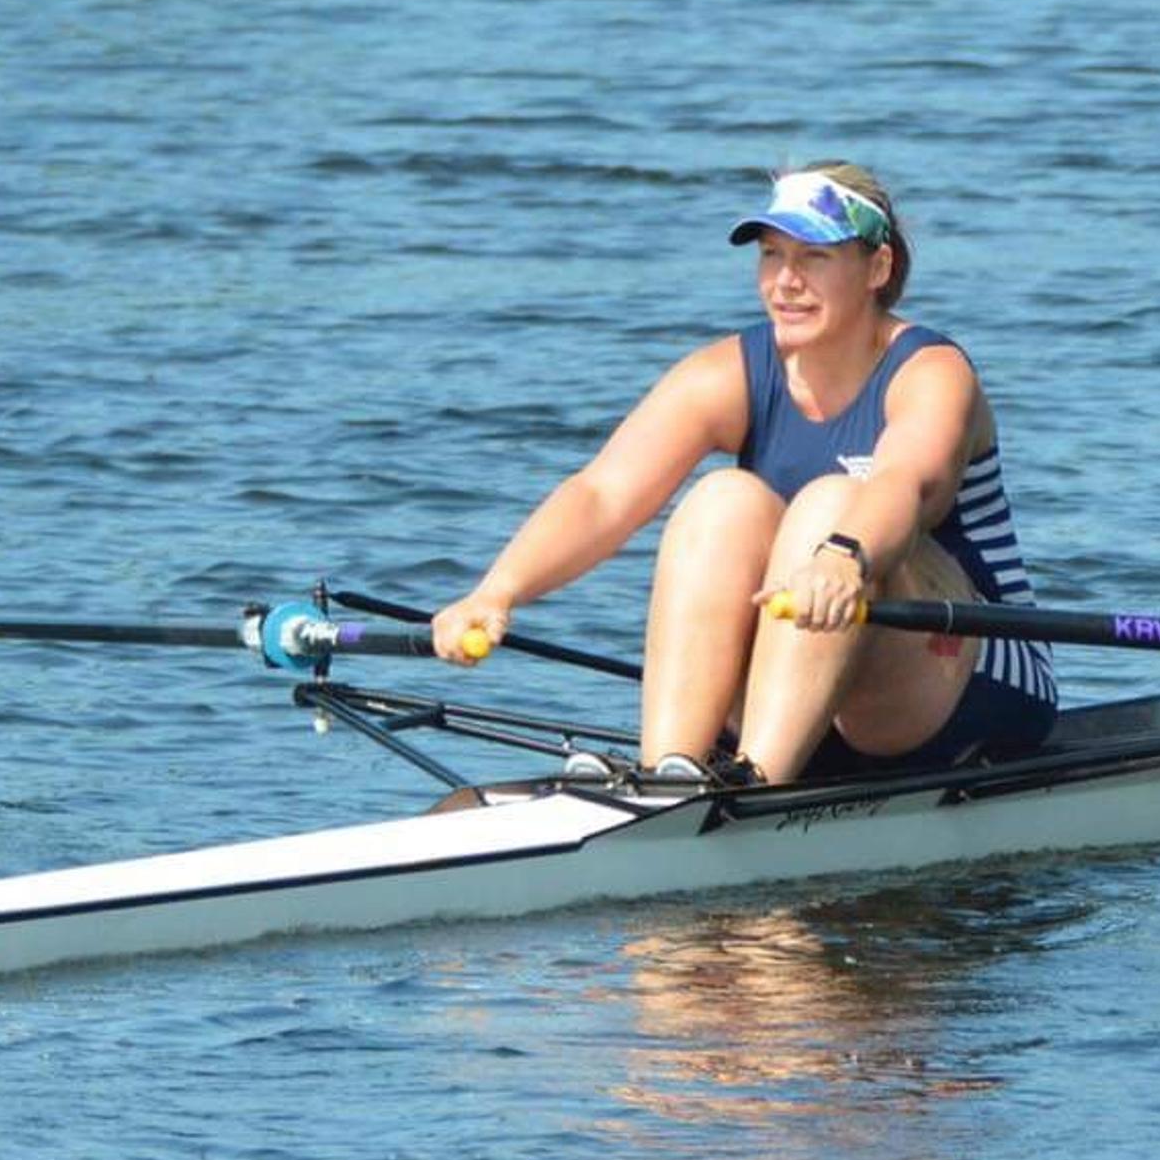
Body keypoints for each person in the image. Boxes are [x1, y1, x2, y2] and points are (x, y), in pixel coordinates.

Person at [429, 162, 1055, 787]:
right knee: (720, 501)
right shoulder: (726, 373)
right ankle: (670, 776)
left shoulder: (932, 373)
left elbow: (908, 482)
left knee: (832, 504)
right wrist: (497, 592)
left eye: (814, 257)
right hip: (796, 684)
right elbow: (602, 495)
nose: (785, 281)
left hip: (962, 682)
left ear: (878, 269)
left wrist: (844, 557)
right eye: (771, 255)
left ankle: (754, 790)